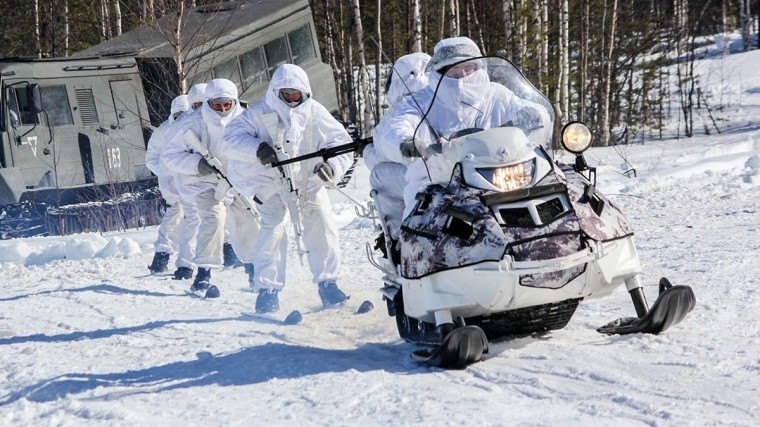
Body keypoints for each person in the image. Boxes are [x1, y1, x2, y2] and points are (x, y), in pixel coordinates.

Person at [224, 63, 353, 314]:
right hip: (269, 185)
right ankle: (267, 290)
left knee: (322, 226)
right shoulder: (258, 113)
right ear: (276, 92)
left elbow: (341, 144)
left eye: (297, 95)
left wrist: (332, 168)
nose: (292, 99)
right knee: (272, 231)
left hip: (309, 183)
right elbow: (230, 138)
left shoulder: (316, 113)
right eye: (287, 94)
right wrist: (257, 148)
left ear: (305, 92)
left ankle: (328, 283)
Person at [384, 37, 549, 219]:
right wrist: (406, 141)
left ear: (479, 68)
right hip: (439, 180)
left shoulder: (496, 94)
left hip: (499, 173)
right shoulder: (421, 101)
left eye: (468, 68)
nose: (462, 75)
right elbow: (397, 125)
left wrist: (532, 113)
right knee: (423, 223)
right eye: (453, 69)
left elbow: (529, 107)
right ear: (440, 71)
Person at [162, 78, 259, 297]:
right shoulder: (191, 123)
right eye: (217, 105)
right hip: (203, 181)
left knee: (248, 220)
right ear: (207, 103)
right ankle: (203, 275)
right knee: (213, 218)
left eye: (227, 105)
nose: (223, 110)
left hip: (237, 179)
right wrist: (198, 164)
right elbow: (169, 156)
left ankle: (254, 270)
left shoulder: (245, 120)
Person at [365, 52, 430, 255]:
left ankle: (396, 241)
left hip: (429, 177)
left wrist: (368, 151)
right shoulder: (451, 99)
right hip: (460, 171)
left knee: (379, 175)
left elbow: (385, 145)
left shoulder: (401, 108)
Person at [145, 94, 190, 274]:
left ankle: (228, 250)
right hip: (174, 186)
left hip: (195, 182)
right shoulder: (163, 131)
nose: (181, 118)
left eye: (184, 114)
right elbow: (151, 158)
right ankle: (161, 258)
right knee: (174, 217)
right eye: (178, 114)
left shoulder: (197, 126)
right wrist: (167, 172)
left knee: (211, 214)